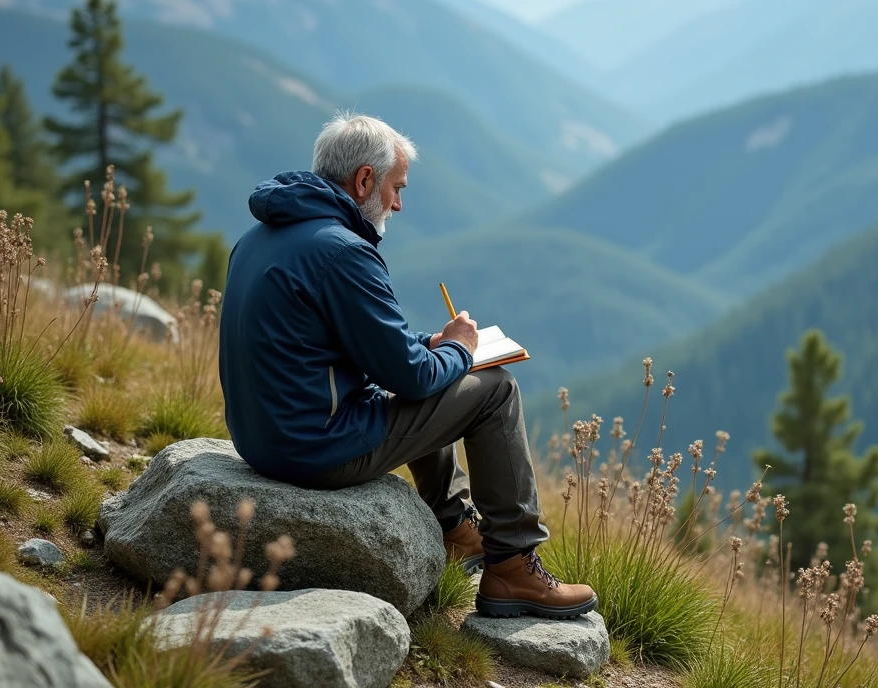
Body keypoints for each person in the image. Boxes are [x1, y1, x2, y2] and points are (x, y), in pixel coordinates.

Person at [218, 111, 596, 619]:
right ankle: (511, 567)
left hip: (260, 437)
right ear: (364, 180)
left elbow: (342, 346)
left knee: (428, 377)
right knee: (495, 389)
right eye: (396, 187)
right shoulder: (342, 252)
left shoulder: (261, 236)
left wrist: (429, 344)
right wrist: (459, 349)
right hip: (313, 447)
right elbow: (412, 377)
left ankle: (457, 530)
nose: (398, 203)